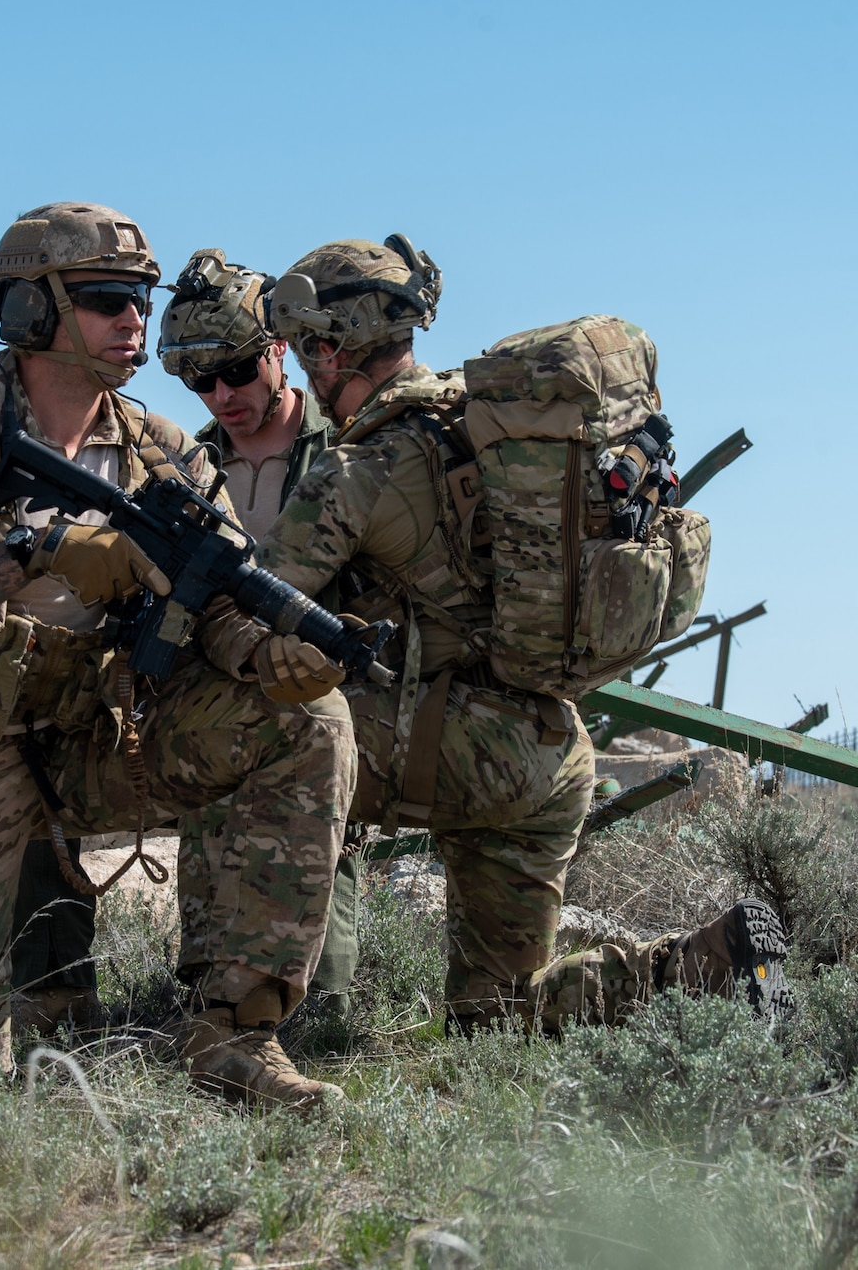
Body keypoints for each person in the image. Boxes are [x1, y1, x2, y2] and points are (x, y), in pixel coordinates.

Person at [0, 202, 356, 1107]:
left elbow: (215, 595)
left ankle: (232, 1035)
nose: (133, 320)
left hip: (90, 741)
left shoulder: (164, 453)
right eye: (106, 298)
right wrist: (29, 555)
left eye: (139, 298)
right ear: (31, 312)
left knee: (306, 724)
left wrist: (268, 658)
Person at [217, 234, 789, 1031]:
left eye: (312, 350)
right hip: (550, 754)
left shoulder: (358, 469)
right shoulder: (493, 428)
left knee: (256, 733)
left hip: (443, 751)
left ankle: (234, 1017)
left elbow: (255, 605)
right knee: (495, 1018)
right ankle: (708, 961)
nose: (311, 372)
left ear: (333, 346)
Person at [153, 251, 357, 1014]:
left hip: (331, 679)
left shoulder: (350, 446)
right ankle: (221, 1001)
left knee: (325, 1010)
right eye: (197, 379)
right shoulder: (183, 465)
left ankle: (300, 999)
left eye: (236, 369)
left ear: (279, 348)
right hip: (222, 682)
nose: (221, 394)